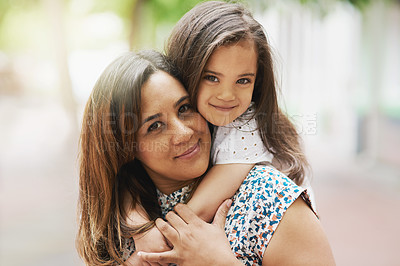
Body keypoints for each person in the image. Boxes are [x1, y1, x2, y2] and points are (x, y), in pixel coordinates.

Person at [76, 49, 334, 265]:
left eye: (184, 108)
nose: (184, 132)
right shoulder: (124, 230)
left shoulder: (267, 198)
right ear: (126, 149)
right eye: (154, 126)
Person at [133, 0, 316, 256]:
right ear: (187, 70)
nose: (227, 95)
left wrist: (155, 236)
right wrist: (131, 214)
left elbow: (199, 211)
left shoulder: (247, 126)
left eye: (242, 80)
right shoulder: (200, 118)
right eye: (212, 77)